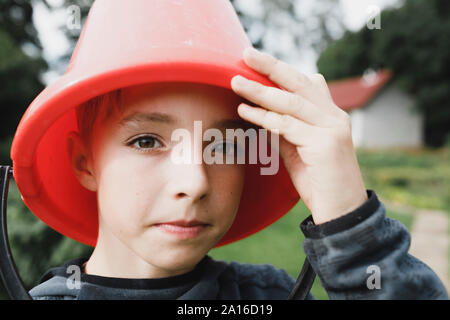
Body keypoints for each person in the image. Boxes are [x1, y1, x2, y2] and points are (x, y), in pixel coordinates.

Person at [13, 0, 446, 300]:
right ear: (83, 161)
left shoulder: (269, 295)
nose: (195, 182)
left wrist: (350, 228)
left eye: (223, 144)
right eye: (146, 141)